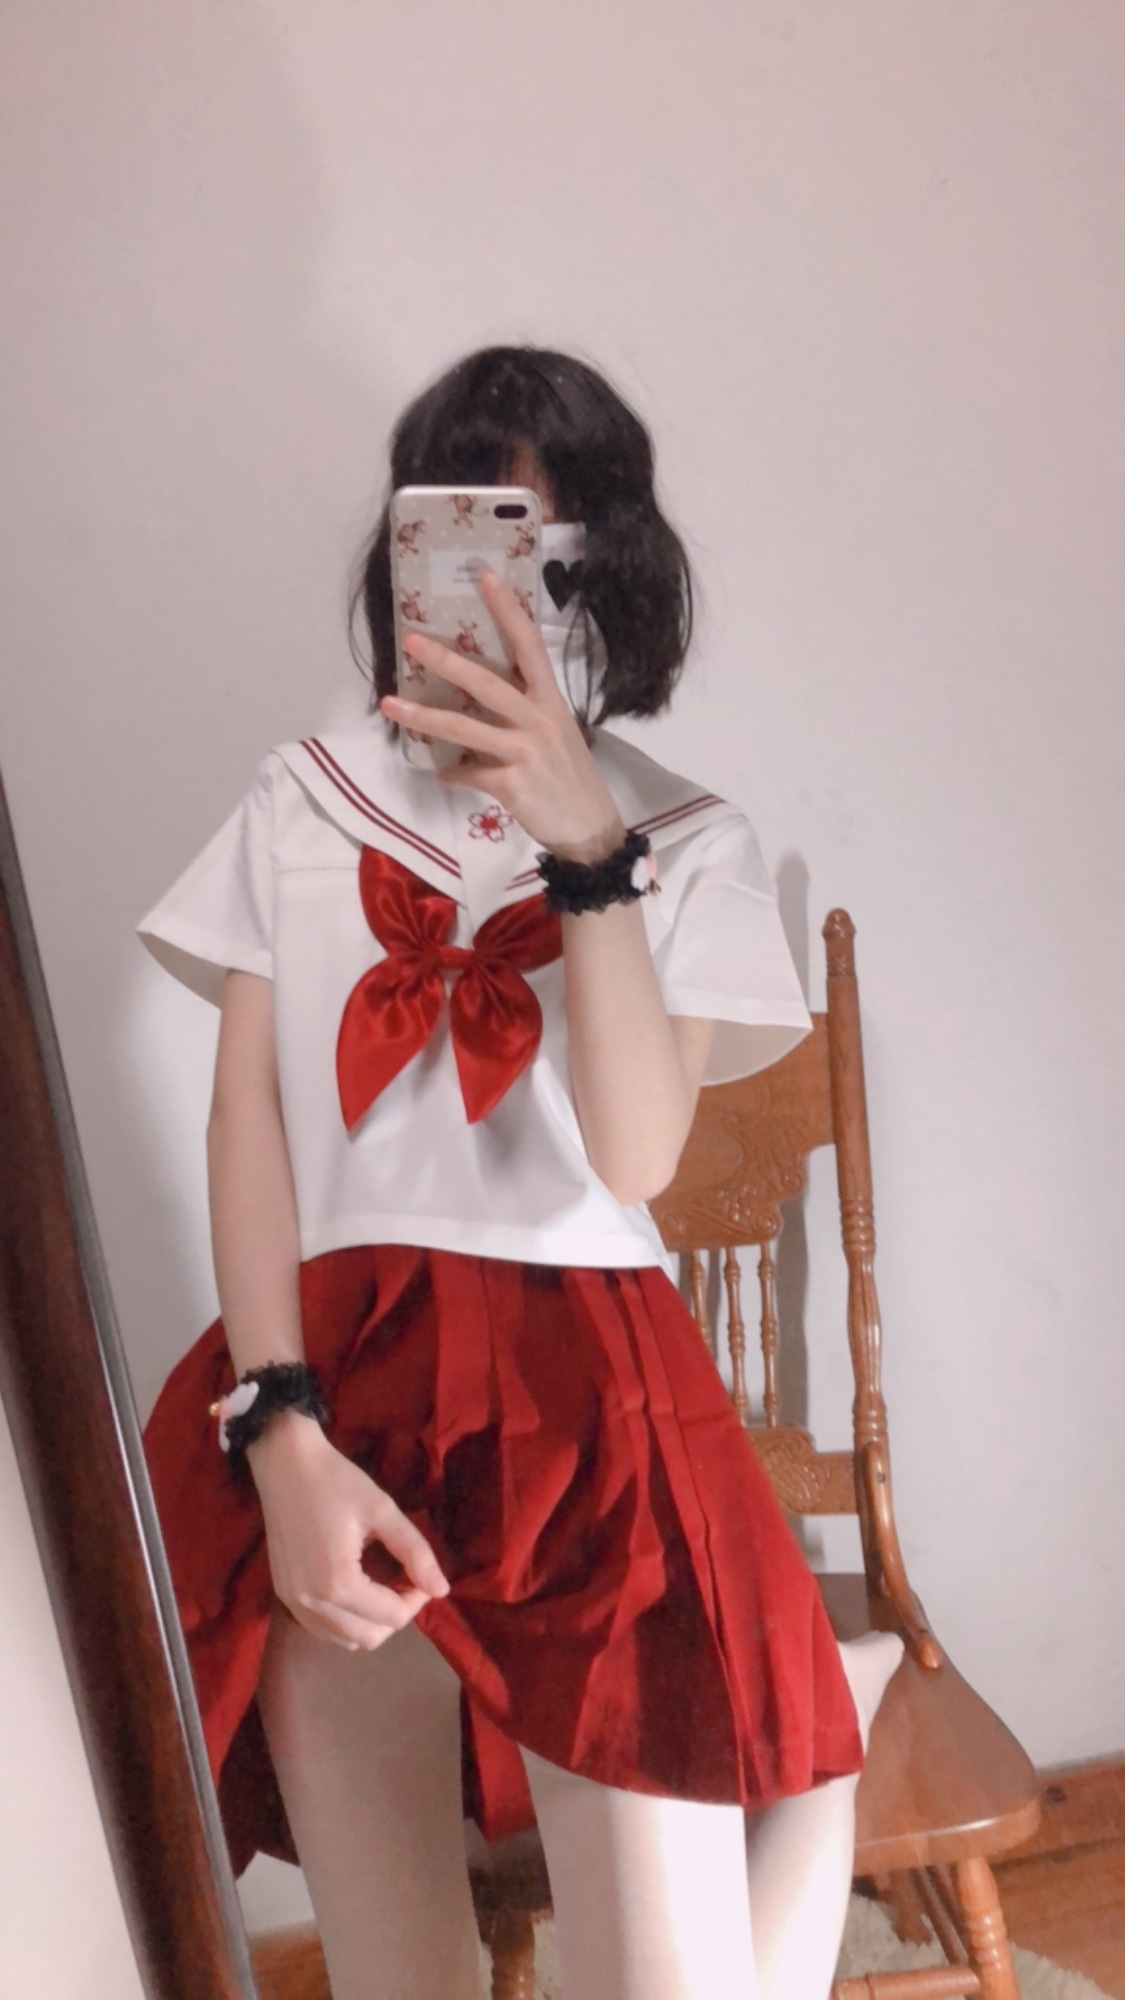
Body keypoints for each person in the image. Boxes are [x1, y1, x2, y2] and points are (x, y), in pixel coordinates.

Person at [139, 346, 902, 2000]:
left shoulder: (685, 838)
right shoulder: (301, 800)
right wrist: (277, 1434)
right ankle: (832, 1708)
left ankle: (831, 1731)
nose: (505, 595)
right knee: (395, 1974)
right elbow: (245, 1117)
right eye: (459, 537)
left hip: (592, 1410)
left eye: (546, 553)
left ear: (609, 567)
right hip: (338, 1388)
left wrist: (588, 858)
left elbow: (634, 1156)